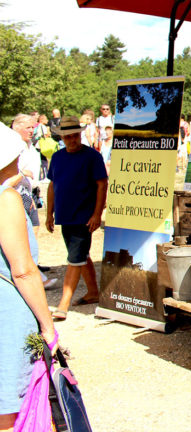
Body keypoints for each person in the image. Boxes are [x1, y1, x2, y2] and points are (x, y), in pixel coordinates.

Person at [0, 122, 58, 431]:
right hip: (8, 311)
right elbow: (23, 271)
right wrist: (48, 327)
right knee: (10, 410)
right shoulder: (5, 198)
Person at [47, 115, 108, 320]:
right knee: (81, 256)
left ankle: (63, 304)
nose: (72, 140)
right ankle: (92, 292)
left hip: (84, 216)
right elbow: (51, 185)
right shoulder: (57, 157)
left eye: (75, 136)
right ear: (62, 138)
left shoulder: (92, 156)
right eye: (67, 137)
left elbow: (102, 184)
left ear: (80, 135)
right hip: (65, 215)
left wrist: (97, 214)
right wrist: (49, 212)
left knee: (74, 259)